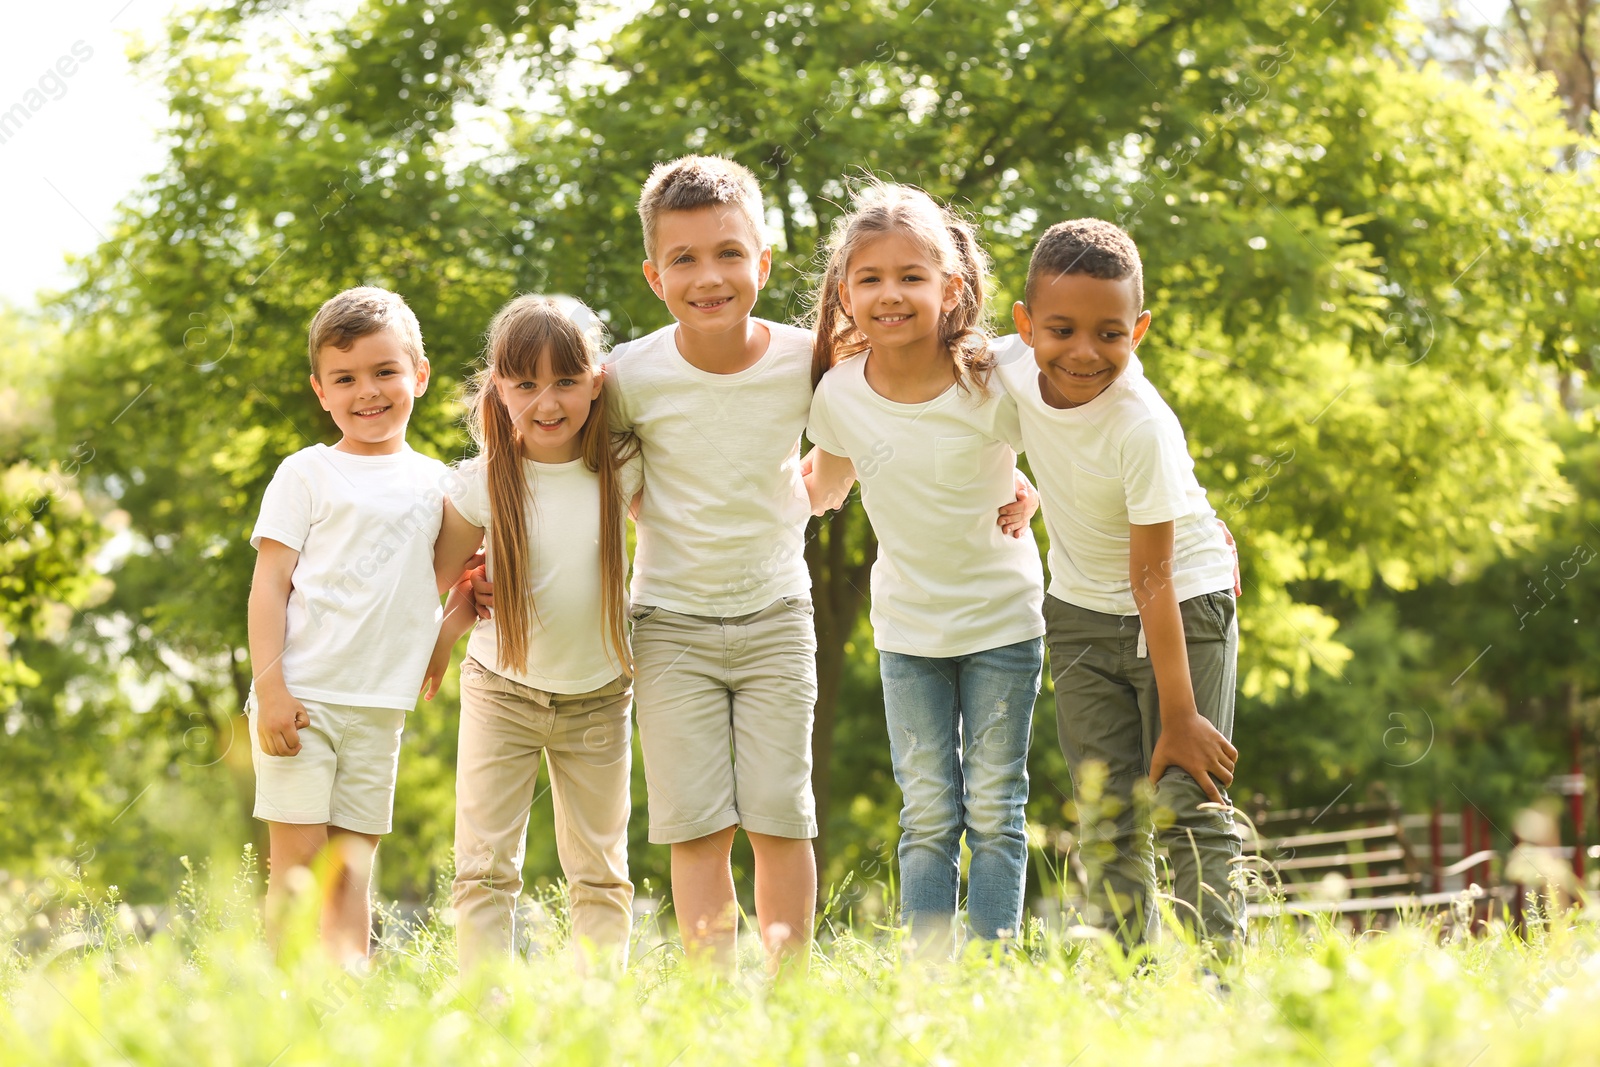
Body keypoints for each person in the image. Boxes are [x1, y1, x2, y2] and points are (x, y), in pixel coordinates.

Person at [804, 184, 1044, 956]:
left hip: (1005, 620)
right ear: (846, 294)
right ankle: (930, 969)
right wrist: (664, 501)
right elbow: (818, 487)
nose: (891, 293)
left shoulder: (997, 375)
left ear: (953, 288)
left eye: (912, 275)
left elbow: (1085, 443)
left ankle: (993, 960)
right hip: (908, 630)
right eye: (870, 278)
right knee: (930, 809)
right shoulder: (840, 394)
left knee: (997, 806)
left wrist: (1039, 491)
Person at [996, 218, 1243, 952]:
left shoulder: (1143, 425)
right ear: (1025, 323)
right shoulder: (1008, 364)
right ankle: (1126, 977)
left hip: (1181, 599)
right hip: (1078, 610)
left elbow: (1152, 574)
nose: (1083, 352)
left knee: (1185, 795)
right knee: (1105, 814)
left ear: (1139, 329)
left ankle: (1220, 976)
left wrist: (1181, 715)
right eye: (1061, 329)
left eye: (1110, 334)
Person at [426, 295, 642, 974]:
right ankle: (487, 1014)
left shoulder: (622, 466)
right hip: (502, 692)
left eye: (566, 381)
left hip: (600, 696)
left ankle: (596, 1013)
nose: (547, 402)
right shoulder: (484, 483)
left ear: (596, 381)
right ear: (499, 387)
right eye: (526, 384)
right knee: (485, 868)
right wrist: (456, 615)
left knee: (602, 871)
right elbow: (436, 580)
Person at [246, 286, 450, 964]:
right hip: (301, 699)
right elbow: (269, 585)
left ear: (418, 374)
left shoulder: (438, 483)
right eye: (346, 378)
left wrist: (445, 640)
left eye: (385, 371)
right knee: (300, 866)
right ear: (321, 391)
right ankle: (289, 997)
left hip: (379, 705)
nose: (369, 391)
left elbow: (442, 584)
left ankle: (346, 995)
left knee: (352, 867)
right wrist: (271, 689)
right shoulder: (307, 472)